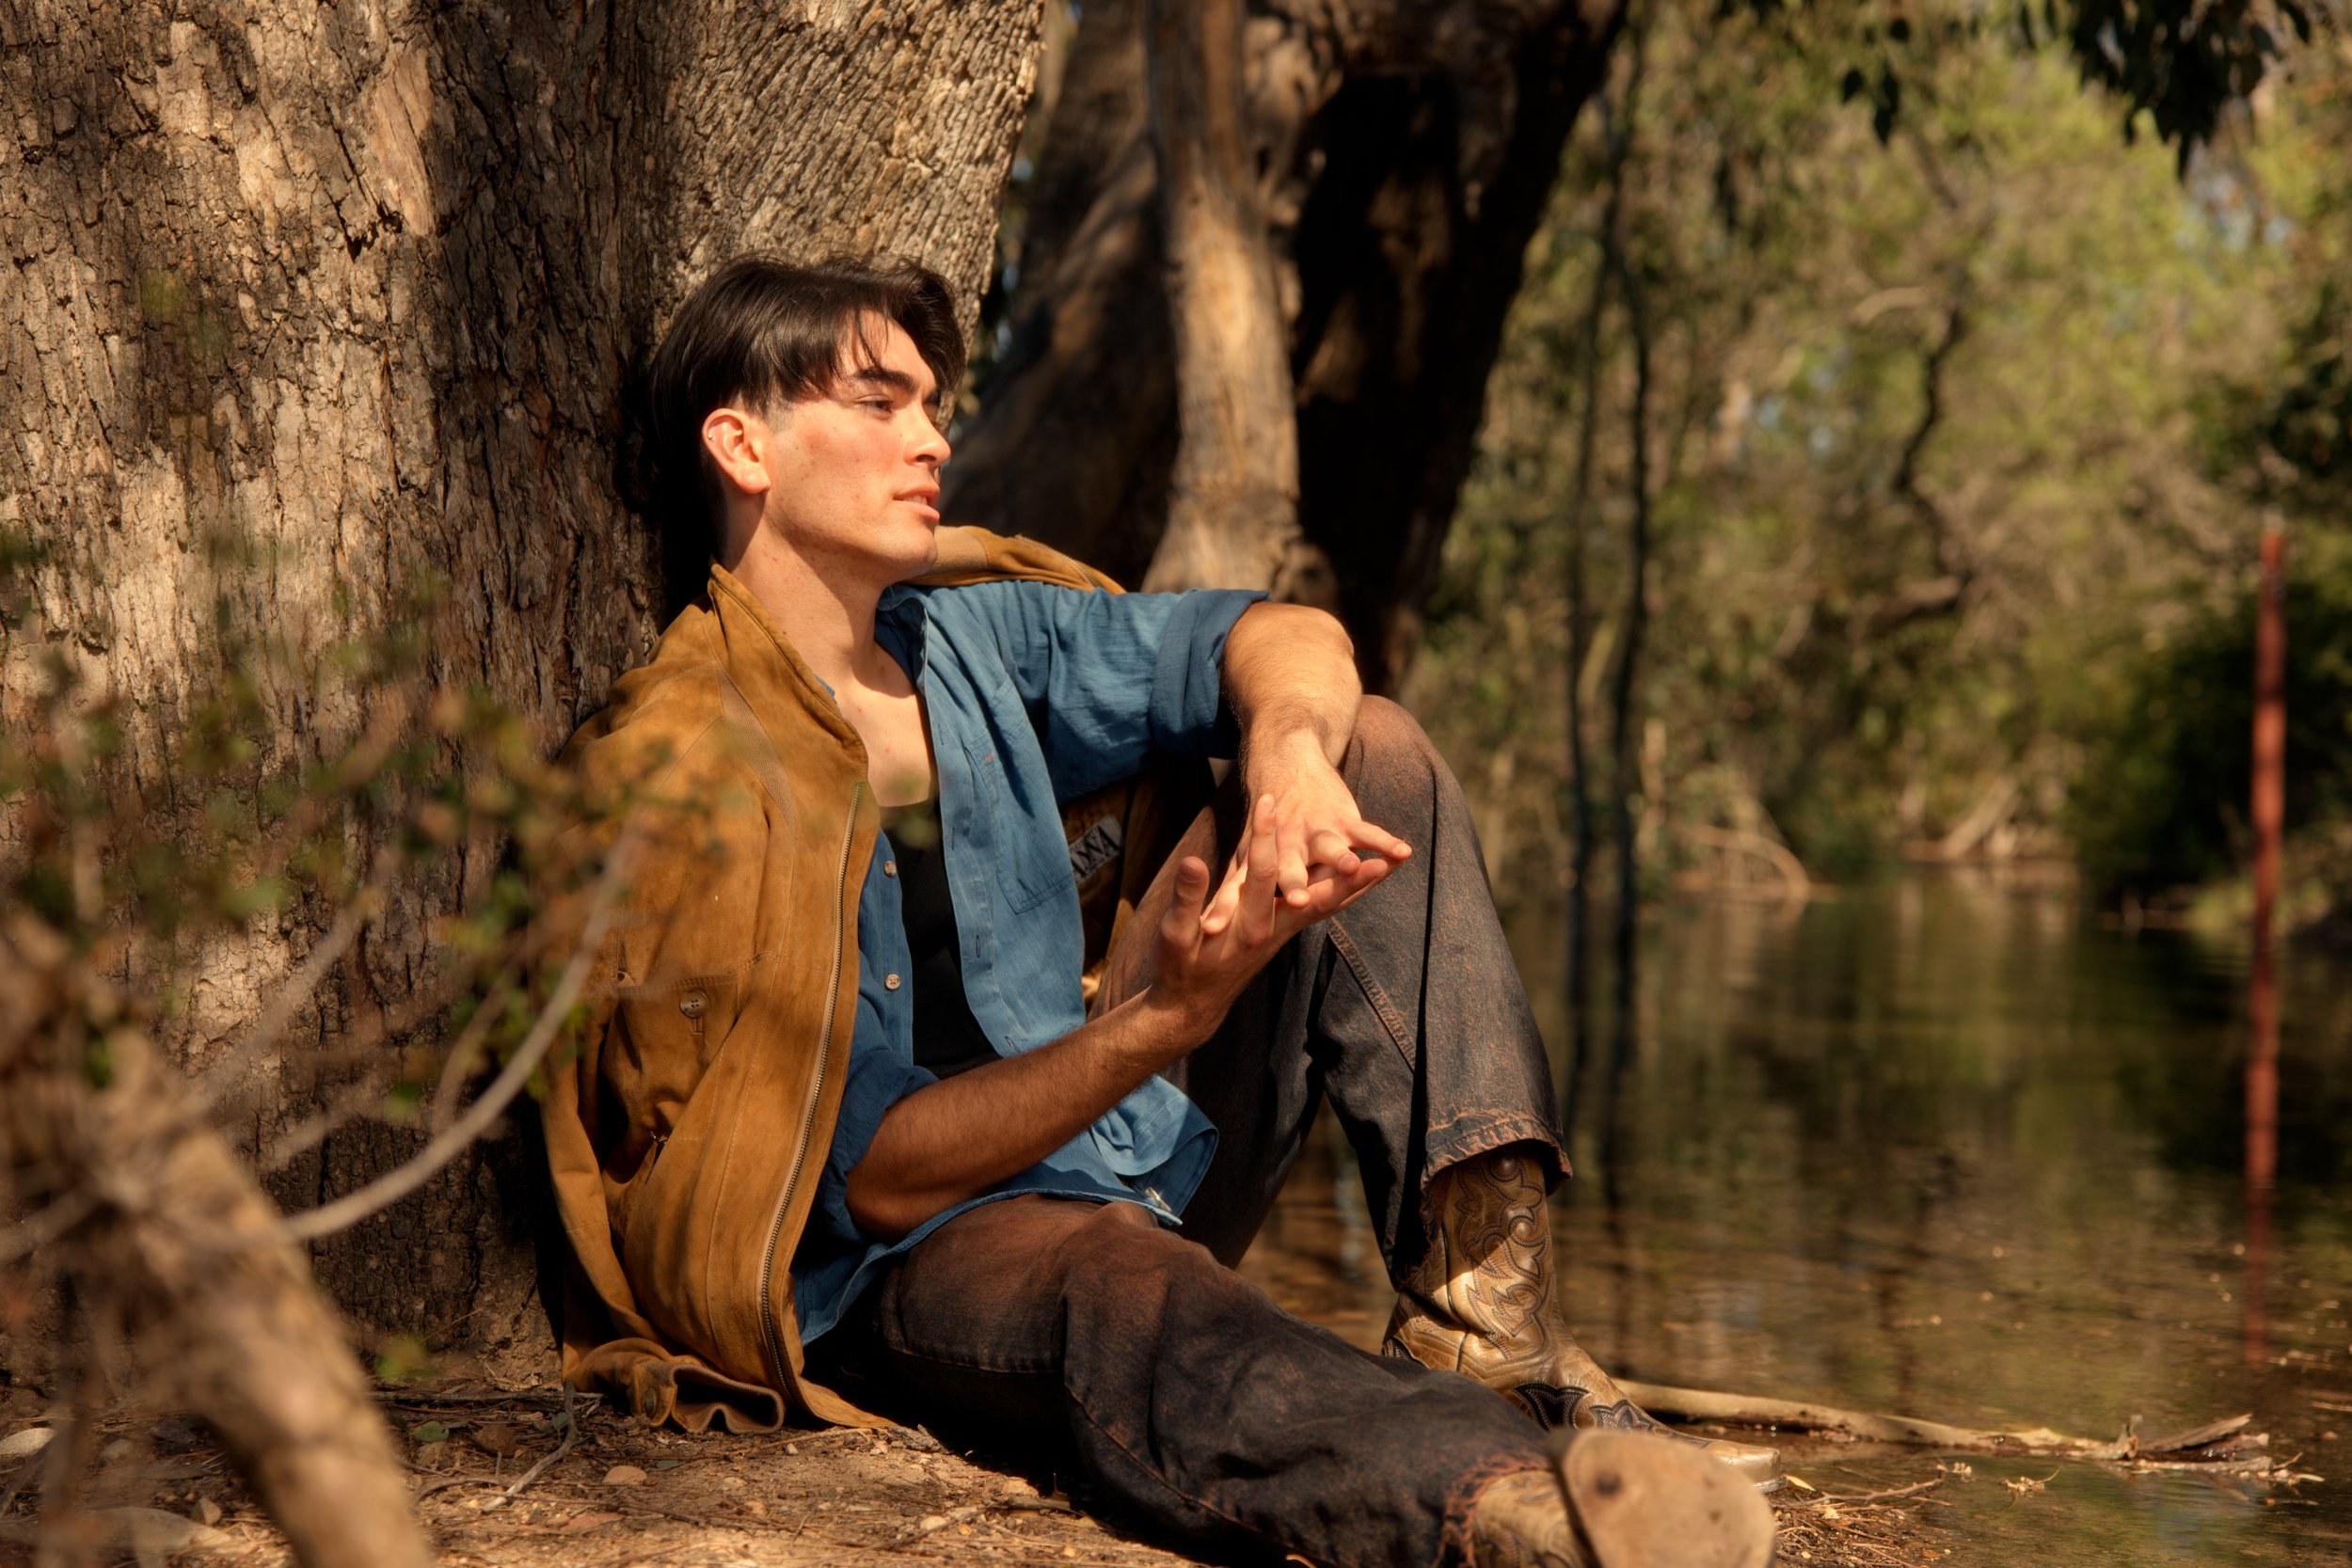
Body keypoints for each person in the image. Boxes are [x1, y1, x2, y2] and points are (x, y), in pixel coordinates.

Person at [542, 254, 1779, 1568]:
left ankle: (1487, 1334)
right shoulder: (690, 768)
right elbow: (879, 1182)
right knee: (1128, 1286)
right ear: (743, 445)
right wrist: (1160, 1019)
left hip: (1119, 1149)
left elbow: (1275, 631)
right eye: (881, 403)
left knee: (1377, 749)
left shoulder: (965, 644)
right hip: (916, 1265)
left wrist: (1296, 756)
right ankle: (1511, 1509)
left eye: (933, 403)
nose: (933, 437)